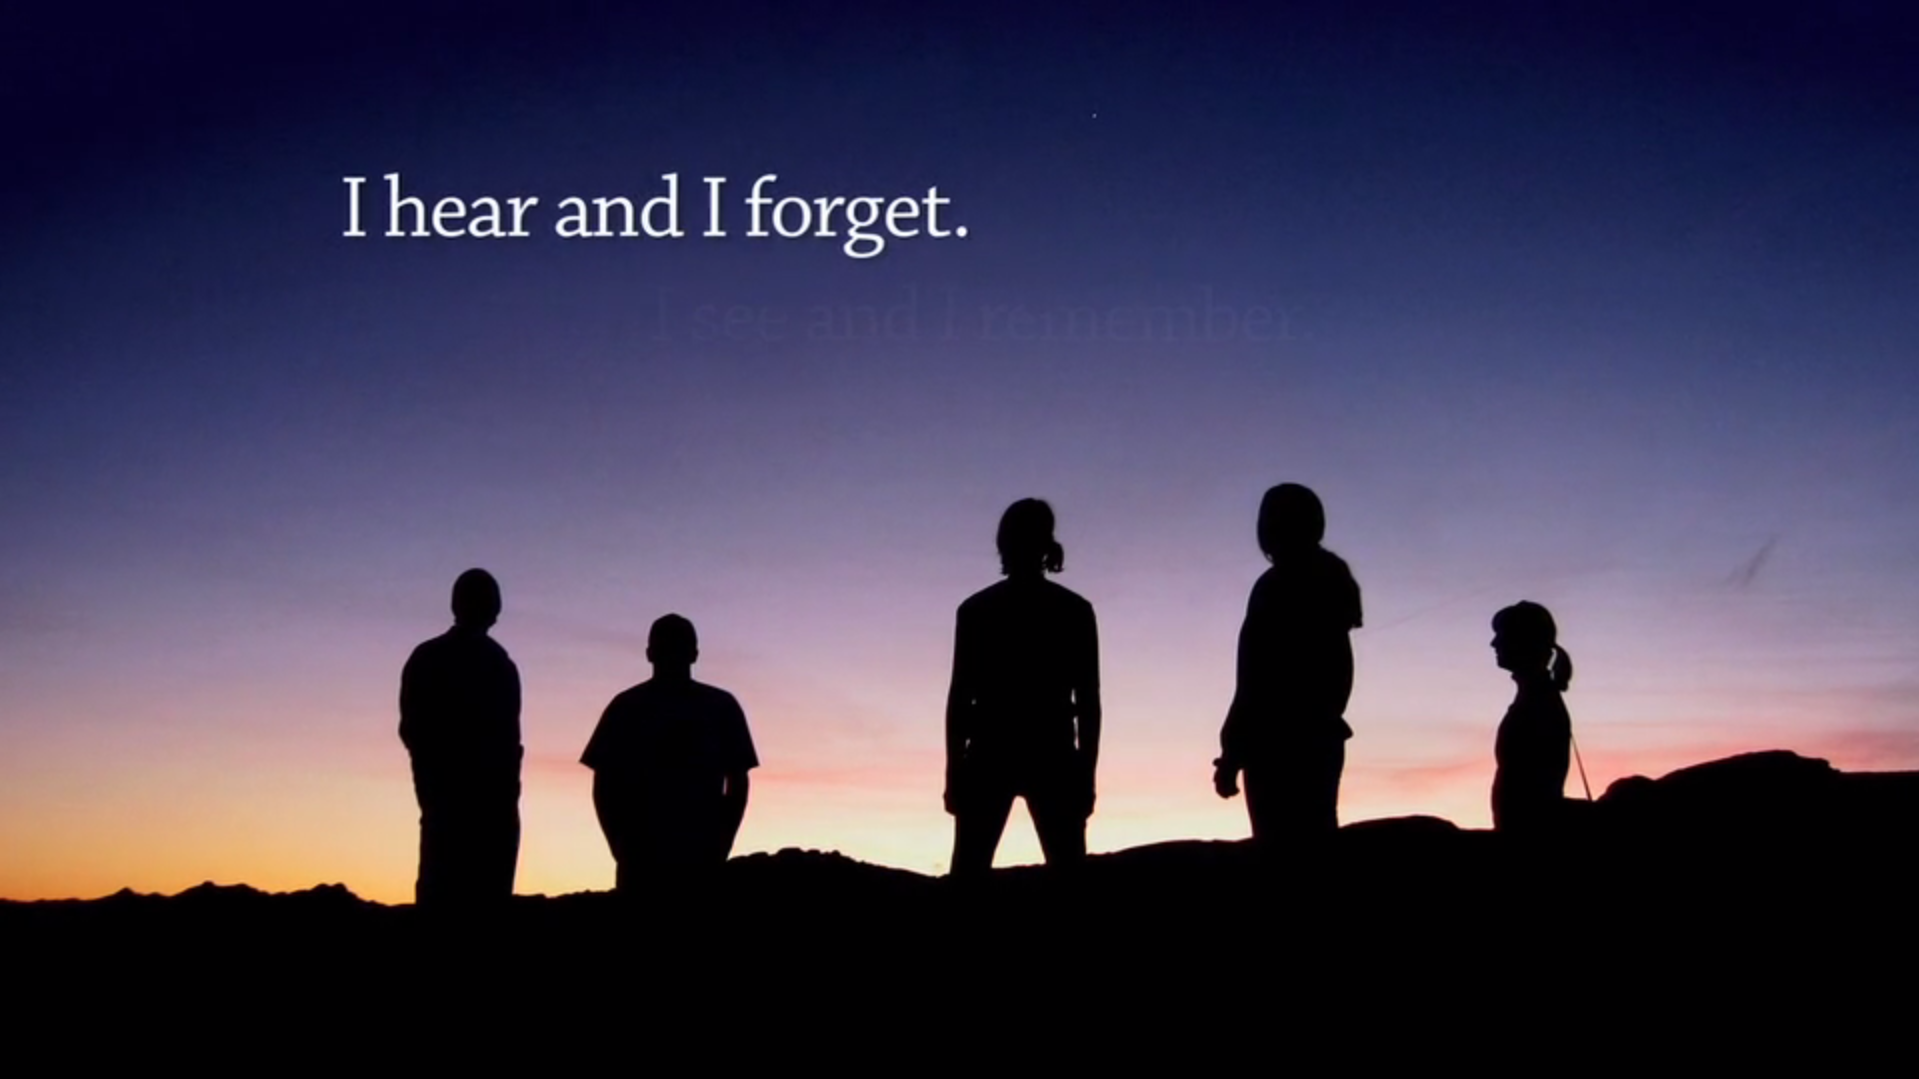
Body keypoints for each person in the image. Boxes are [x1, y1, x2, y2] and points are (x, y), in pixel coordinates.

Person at [945, 498, 1102, 877]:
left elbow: (960, 699)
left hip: (995, 752)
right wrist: (1086, 773)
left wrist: (954, 769)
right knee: (1068, 873)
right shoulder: (1074, 610)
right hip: (1049, 753)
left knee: (969, 875)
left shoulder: (977, 610)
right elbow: (1088, 703)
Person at [1213, 484, 1362, 842]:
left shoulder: (1275, 586)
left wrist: (1232, 752)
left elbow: (1254, 679)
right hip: (1321, 739)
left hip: (1276, 746)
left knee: (1279, 851)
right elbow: (1339, 671)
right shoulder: (1332, 577)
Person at [581, 614, 758, 891]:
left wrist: (722, 841)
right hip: (645, 854)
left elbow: (738, 781)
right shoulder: (626, 707)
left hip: (696, 852)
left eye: (677, 647)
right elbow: (604, 783)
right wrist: (620, 845)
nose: (672, 655)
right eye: (667, 647)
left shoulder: (721, 707)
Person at [399, 568, 524, 908]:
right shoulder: (498, 664)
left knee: (444, 886)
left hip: (458, 799)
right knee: (477, 893)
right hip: (475, 802)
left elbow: (411, 729)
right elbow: (508, 741)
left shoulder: (430, 657)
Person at [1489, 600, 1573, 835]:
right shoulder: (1536, 695)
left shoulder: (1538, 700)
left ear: (1525, 640)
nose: (1494, 643)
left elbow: (1534, 786)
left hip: (1527, 836)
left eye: (1502, 635)